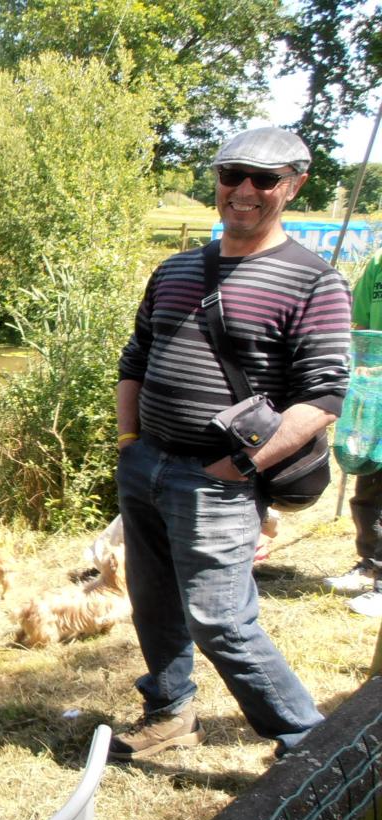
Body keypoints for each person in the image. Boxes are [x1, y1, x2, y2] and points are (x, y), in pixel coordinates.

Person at [112, 128, 352, 762]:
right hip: (146, 461)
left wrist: (237, 465)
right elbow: (136, 354)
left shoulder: (314, 281)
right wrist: (129, 439)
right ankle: (169, 715)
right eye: (233, 174)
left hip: (218, 476)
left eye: (265, 179)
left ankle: (309, 744)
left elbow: (322, 398)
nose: (244, 190)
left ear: (293, 186)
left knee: (220, 618)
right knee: (152, 597)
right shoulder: (176, 268)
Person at [323, 247, 382, 615]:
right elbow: (360, 327)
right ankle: (369, 563)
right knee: (369, 482)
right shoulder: (377, 263)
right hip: (373, 398)